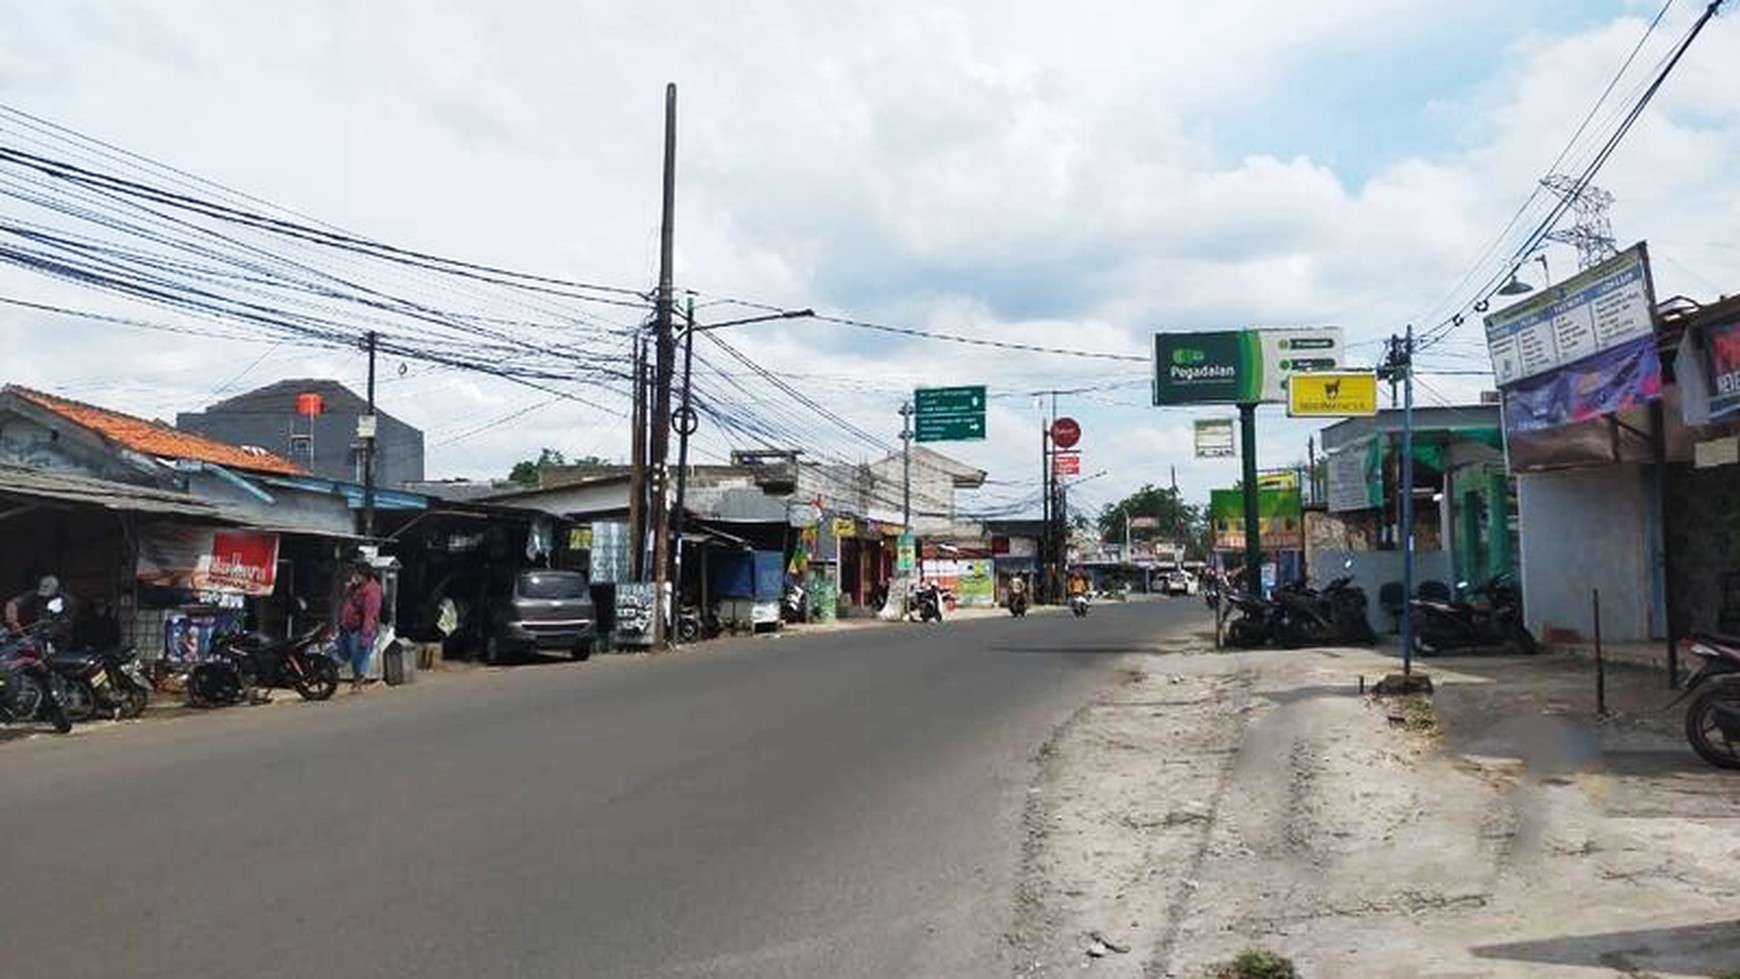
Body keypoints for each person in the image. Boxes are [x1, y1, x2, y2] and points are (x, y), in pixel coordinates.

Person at [337, 562, 382, 692]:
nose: (354, 576)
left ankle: (358, 683)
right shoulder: (355, 588)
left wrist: (366, 633)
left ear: (365, 576)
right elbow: (345, 600)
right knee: (344, 652)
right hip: (348, 626)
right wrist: (350, 588)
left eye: (357, 574)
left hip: (362, 627)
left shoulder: (371, 591)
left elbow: (370, 614)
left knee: (360, 655)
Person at [5, 574, 76, 640]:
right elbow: (13, 603)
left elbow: (64, 624)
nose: (44, 599)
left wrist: (47, 631)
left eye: (48, 597)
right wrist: (12, 621)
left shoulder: (67, 601)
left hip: (58, 638)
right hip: (35, 634)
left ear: (56, 590)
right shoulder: (34, 594)